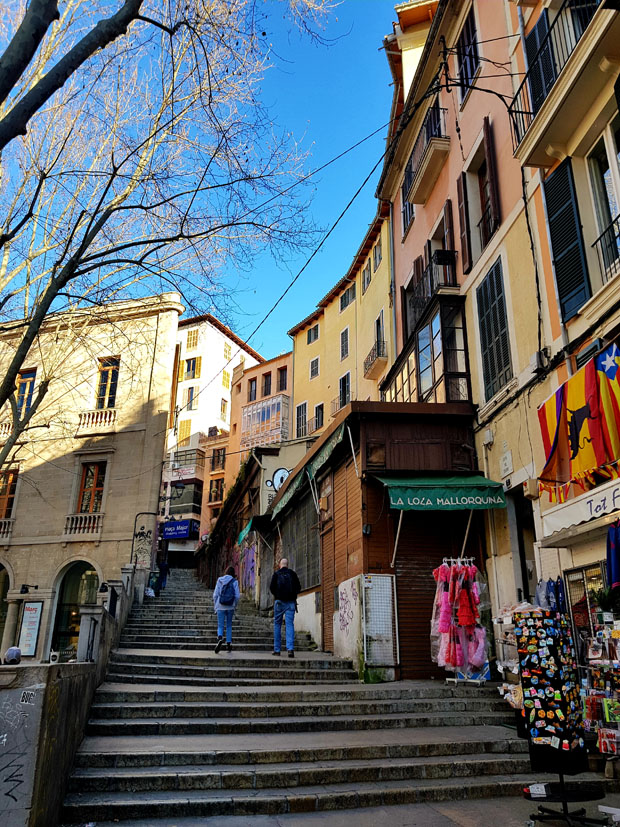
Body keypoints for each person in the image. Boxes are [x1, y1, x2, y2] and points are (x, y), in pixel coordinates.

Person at [270, 558, 301, 658]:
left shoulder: (276, 574)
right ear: (287, 565)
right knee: (289, 625)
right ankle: (290, 649)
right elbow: (298, 587)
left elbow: (271, 588)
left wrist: (278, 595)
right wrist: (292, 596)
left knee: (277, 625)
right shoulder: (292, 574)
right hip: (290, 603)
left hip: (279, 602)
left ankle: (277, 650)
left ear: (280, 565)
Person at [213, 566, 240, 653]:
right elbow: (237, 596)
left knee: (220, 625)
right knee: (229, 625)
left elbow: (215, 595)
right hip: (230, 606)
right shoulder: (234, 581)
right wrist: (234, 605)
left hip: (220, 605)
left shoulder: (220, 580)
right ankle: (229, 643)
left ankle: (220, 638)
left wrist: (215, 605)